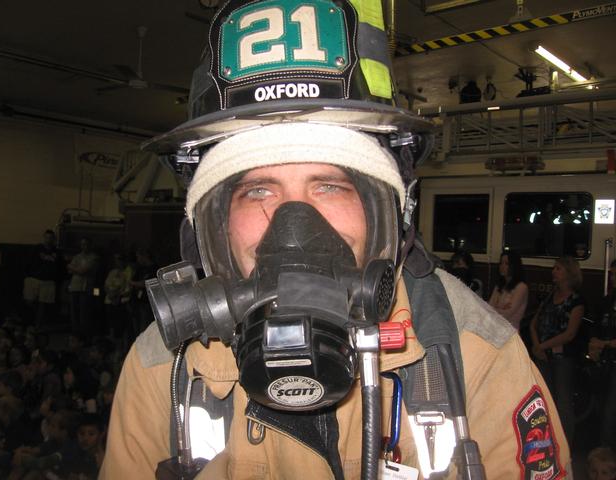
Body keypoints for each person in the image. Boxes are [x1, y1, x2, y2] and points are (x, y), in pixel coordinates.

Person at [101, 0, 570, 478]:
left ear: (388, 215)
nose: (294, 228)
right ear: (211, 231)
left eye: (329, 186)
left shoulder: (475, 356)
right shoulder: (163, 366)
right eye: (258, 190)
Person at [530, 255, 585, 446]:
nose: (554, 272)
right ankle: (546, 441)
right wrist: (537, 345)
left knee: (562, 402)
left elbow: (569, 334)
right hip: (543, 355)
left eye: (558, 269)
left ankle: (565, 444)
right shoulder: (550, 296)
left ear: (569, 273)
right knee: (544, 399)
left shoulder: (576, 301)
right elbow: (534, 322)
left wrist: (542, 346)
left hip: (562, 357)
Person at [588, 259, 616, 450]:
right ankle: (603, 453)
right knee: (603, 408)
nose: (613, 278)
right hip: (605, 362)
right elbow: (595, 327)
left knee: (610, 411)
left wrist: (604, 343)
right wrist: (594, 344)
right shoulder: (607, 301)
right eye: (612, 274)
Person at [23, 229, 63, 327]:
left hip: (48, 280)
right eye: (47, 237)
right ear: (44, 238)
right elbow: (29, 261)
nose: (48, 240)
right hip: (34, 278)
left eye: (50, 238)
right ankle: (32, 321)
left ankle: (38, 324)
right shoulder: (37, 248)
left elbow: (59, 266)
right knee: (29, 301)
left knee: (43, 304)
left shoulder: (57, 251)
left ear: (53, 239)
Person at [488, 250, 528, 330]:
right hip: (495, 328)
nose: (502, 266)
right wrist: (502, 307)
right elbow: (488, 308)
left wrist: (496, 307)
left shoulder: (521, 287)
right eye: (501, 263)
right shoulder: (499, 286)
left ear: (514, 266)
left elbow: (508, 314)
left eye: (506, 264)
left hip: (511, 331)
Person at [67, 238, 99, 338]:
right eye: (82, 244)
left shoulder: (94, 257)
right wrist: (76, 269)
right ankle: (75, 334)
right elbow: (69, 270)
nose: (84, 246)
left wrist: (74, 268)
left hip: (86, 288)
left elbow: (83, 270)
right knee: (74, 312)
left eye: (86, 244)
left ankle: (84, 335)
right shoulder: (77, 256)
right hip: (74, 287)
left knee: (84, 313)